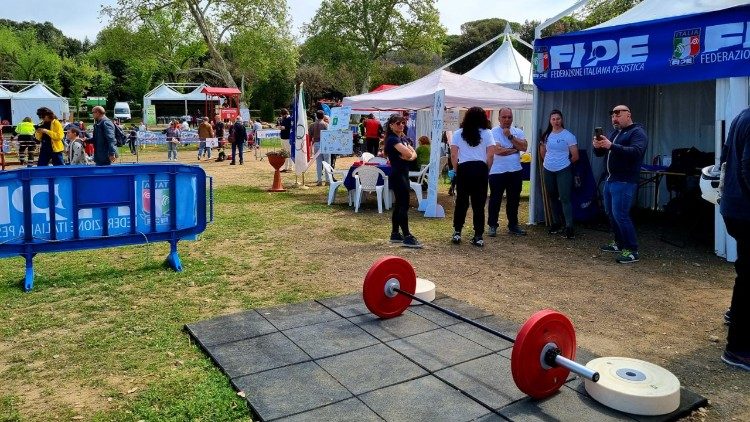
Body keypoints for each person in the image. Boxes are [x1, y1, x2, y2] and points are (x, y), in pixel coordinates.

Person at [593, 105, 648, 263]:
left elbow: (636, 152)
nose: (614, 118)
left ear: (628, 115)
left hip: (624, 180)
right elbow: (601, 154)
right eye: (612, 116)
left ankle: (632, 250)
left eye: (618, 114)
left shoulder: (637, 132)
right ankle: (619, 243)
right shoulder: (615, 133)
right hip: (610, 179)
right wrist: (598, 147)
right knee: (611, 213)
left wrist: (611, 146)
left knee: (621, 215)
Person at [718, 106, 750, 371]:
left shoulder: (742, 115)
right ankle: (739, 348)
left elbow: (726, 158)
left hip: (735, 206)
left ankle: (735, 315)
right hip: (745, 208)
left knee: (745, 271)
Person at [450, 106, 495, 247]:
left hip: (464, 168)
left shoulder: (458, 133)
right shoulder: (488, 133)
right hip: (480, 168)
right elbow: (491, 154)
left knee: (461, 202)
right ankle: (478, 235)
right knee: (479, 204)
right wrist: (486, 169)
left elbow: (453, 155)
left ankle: (457, 232)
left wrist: (457, 170)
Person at [488, 107, 528, 237]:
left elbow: (524, 147)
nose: (507, 120)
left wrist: (510, 137)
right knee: (495, 199)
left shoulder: (518, 132)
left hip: (515, 170)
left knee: (514, 200)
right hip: (497, 172)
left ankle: (513, 225)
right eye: (504, 117)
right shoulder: (493, 132)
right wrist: (514, 149)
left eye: (509, 117)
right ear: (499, 118)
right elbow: (497, 151)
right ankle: (492, 225)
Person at [384, 113, 422, 248]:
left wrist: (410, 156)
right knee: (403, 205)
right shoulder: (393, 140)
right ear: (391, 125)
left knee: (400, 204)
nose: (401, 125)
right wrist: (410, 155)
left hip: (403, 174)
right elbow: (408, 153)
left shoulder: (403, 138)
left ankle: (395, 233)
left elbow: (413, 153)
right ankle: (407, 236)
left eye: (403, 123)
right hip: (398, 174)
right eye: (397, 123)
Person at [540, 109, 579, 239]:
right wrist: (549, 163)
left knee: (565, 198)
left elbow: (575, 156)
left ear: (562, 120)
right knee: (552, 196)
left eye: (558, 119)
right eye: (553, 119)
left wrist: (564, 163)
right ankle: (556, 223)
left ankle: (569, 227)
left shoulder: (568, 135)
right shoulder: (546, 136)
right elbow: (543, 152)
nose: (556, 121)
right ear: (550, 121)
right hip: (548, 169)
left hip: (564, 170)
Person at [309, 110, 329, 185]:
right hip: (325, 144)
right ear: (323, 116)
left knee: (318, 163)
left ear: (316, 116)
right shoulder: (326, 124)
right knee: (327, 162)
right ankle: (327, 180)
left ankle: (319, 180)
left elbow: (310, 135)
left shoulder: (312, 125)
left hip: (316, 143)